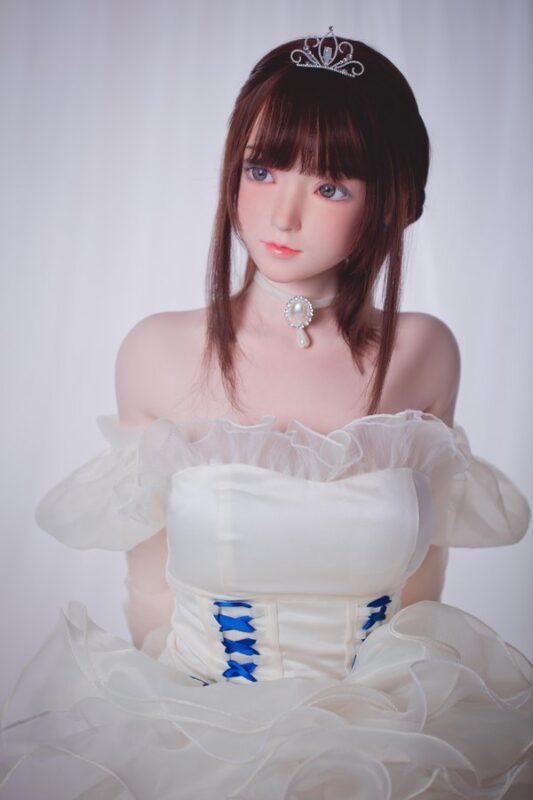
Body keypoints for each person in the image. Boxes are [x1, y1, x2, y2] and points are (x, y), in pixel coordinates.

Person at [1, 26, 531, 800]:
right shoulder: (157, 351)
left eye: (330, 186)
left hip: (392, 745)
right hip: (200, 735)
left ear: (389, 202)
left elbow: (422, 594)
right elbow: (149, 594)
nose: (281, 216)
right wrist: (193, 746)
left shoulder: (423, 352)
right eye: (261, 169)